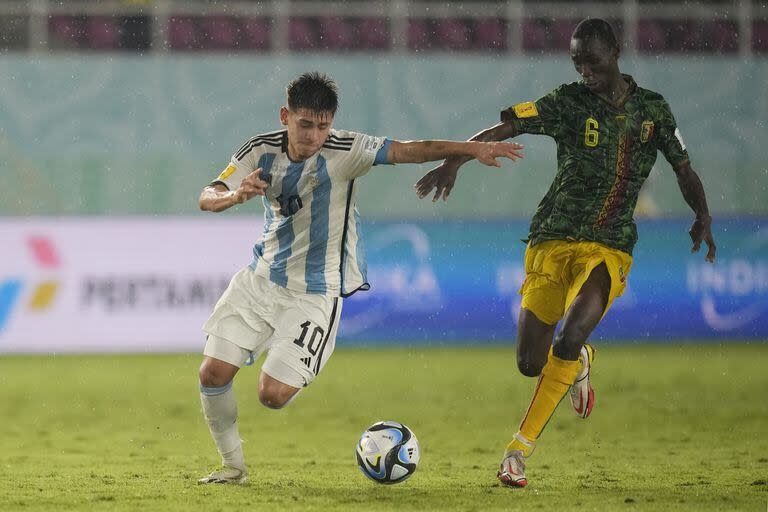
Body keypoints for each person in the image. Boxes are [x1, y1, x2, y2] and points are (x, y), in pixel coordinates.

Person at [415, 18, 716, 487]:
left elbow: (683, 168)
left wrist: (703, 215)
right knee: (530, 364)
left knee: (568, 336)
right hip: (552, 240)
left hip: (609, 245)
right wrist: (456, 159)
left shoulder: (654, 110)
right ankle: (578, 364)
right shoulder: (567, 102)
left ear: (615, 51)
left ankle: (517, 451)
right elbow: (505, 126)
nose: (584, 71)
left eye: (591, 60)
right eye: (577, 62)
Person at [196, 72, 524, 484]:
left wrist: (472, 150)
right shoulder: (258, 150)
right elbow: (207, 196)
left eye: (323, 125)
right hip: (260, 280)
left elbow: (412, 150)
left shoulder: (346, 149)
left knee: (272, 395)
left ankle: (305, 351)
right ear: (285, 116)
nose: (315, 135)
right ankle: (233, 467)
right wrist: (234, 196)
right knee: (212, 374)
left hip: (316, 293)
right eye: (305, 124)